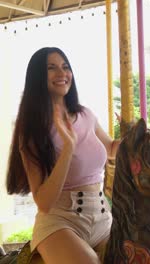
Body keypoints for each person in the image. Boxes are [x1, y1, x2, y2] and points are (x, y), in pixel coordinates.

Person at [6, 47, 120, 264]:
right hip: (60, 221)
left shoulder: (85, 114)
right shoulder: (32, 129)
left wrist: (142, 139)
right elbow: (44, 202)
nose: (62, 73)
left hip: (103, 217)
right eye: (52, 68)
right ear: (38, 77)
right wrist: (68, 148)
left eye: (65, 67)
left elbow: (112, 148)